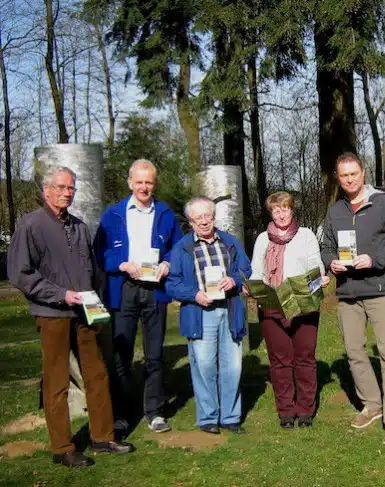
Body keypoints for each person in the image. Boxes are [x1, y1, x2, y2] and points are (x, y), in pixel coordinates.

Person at [8, 166, 134, 467]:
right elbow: (20, 274)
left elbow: (92, 269)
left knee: (97, 374)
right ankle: (62, 448)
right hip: (52, 313)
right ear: (47, 190)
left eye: (71, 188)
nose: (67, 193)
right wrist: (60, 294)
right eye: (62, 187)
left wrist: (96, 301)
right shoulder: (30, 225)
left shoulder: (79, 226)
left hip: (85, 312)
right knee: (57, 382)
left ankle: (103, 437)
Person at [320, 152, 385, 446]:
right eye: (344, 176)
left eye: (353, 174)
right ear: (338, 178)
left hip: (381, 289)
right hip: (348, 293)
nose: (349, 180)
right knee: (354, 352)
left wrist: (375, 259)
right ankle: (372, 404)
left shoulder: (383, 204)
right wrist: (331, 262)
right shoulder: (335, 211)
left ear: (363, 172)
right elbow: (327, 246)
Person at [94, 159, 182, 435]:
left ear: (154, 184)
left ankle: (154, 411)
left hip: (155, 288)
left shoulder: (166, 214)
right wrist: (120, 264)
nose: (144, 187)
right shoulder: (113, 215)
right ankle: (122, 413)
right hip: (124, 289)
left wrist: (168, 263)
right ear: (130, 182)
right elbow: (99, 252)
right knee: (122, 354)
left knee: (155, 354)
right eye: (139, 182)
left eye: (149, 182)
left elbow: (177, 248)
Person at [166, 197, 251, 435]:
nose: (204, 221)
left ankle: (231, 417)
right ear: (190, 222)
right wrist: (194, 294)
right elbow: (172, 284)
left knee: (232, 366)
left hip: (229, 310)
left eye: (208, 216)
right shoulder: (182, 247)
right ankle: (208, 417)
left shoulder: (229, 242)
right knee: (204, 366)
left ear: (214, 217)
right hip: (200, 313)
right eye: (198, 217)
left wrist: (234, 279)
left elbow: (246, 269)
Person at [250, 191, 329, 429]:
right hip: (272, 306)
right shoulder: (263, 238)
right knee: (280, 361)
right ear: (270, 212)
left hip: (302, 305)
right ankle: (286, 411)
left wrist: (320, 279)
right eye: (276, 210)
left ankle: (305, 410)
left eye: (285, 209)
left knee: (304, 358)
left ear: (292, 210)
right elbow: (256, 271)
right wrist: (252, 288)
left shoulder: (305, 236)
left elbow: (316, 265)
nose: (281, 214)